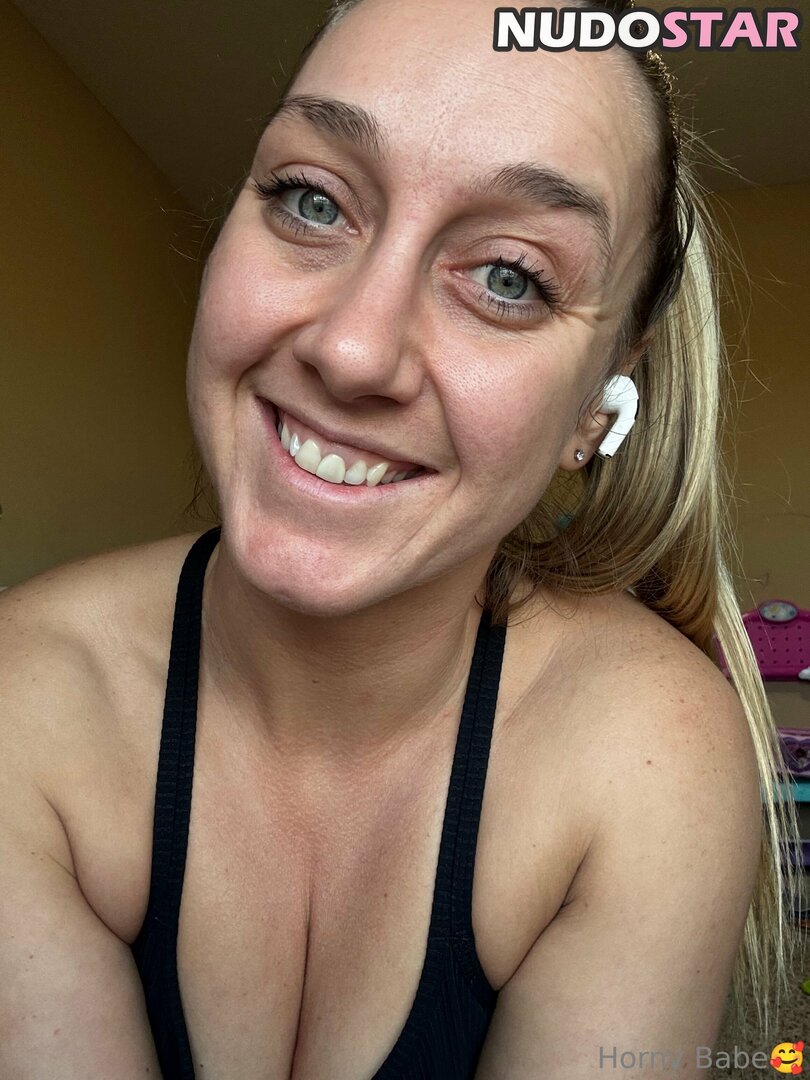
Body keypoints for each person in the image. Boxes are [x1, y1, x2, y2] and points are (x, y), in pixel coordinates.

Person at [0, 0, 799, 1076]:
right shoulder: (23, 696)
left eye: (509, 277)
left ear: (597, 404)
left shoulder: (648, 757)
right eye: (313, 200)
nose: (353, 350)